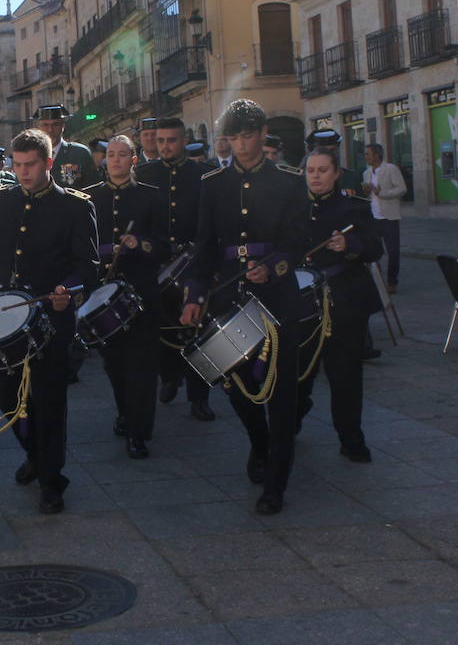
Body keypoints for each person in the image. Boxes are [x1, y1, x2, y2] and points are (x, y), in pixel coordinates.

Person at [0, 128, 99, 514]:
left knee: (50, 399)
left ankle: (52, 481)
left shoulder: (74, 206)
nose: (22, 172)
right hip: (4, 316)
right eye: (17, 165)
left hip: (51, 317)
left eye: (30, 165)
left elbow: (88, 265)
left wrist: (67, 289)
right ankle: (35, 454)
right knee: (3, 391)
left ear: (48, 163)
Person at [180, 98, 309, 515]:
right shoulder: (213, 183)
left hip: (277, 296)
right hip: (230, 295)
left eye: (247, 136)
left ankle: (276, 483)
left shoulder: (290, 182)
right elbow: (203, 245)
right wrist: (195, 295)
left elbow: (297, 244)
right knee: (236, 385)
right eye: (233, 137)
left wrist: (273, 267)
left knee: (282, 392)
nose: (241, 145)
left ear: (263, 132)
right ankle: (259, 443)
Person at [83, 134, 167, 459]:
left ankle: (139, 431)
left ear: (133, 160)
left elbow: (164, 245)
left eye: (122, 155)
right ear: (104, 160)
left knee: (142, 366)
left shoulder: (151, 197)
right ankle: (124, 411)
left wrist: (140, 244)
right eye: (110, 155)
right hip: (104, 294)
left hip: (142, 291)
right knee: (115, 364)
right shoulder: (89, 198)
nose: (115, 160)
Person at [299, 145, 382, 463]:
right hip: (303, 304)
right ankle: (290, 423)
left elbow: (375, 248)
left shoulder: (354, 208)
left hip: (345, 302)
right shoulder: (293, 209)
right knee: (298, 372)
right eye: (310, 171)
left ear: (335, 174)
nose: (316, 176)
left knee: (345, 376)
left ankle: (351, 438)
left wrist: (351, 244)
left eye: (322, 170)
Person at [136, 116, 217, 419]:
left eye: (172, 140)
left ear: (184, 140)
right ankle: (169, 378)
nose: (166, 146)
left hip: (194, 264)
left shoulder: (206, 175)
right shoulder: (143, 174)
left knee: (199, 330)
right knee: (161, 327)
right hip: (156, 264)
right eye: (161, 141)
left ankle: (200, 397)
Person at [362, 143, 406, 293]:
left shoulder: (391, 169)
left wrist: (382, 193)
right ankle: (374, 281)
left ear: (376, 155)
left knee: (393, 251)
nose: (365, 157)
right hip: (373, 217)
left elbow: (401, 189)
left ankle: (392, 281)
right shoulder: (366, 173)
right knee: (372, 251)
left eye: (368, 154)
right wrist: (366, 191)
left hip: (389, 217)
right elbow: (368, 195)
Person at [35, 104, 97, 188]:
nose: (50, 130)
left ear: (63, 126)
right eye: (45, 125)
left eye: (55, 124)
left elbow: (93, 187)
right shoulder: (31, 155)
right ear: (39, 127)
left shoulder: (80, 153)